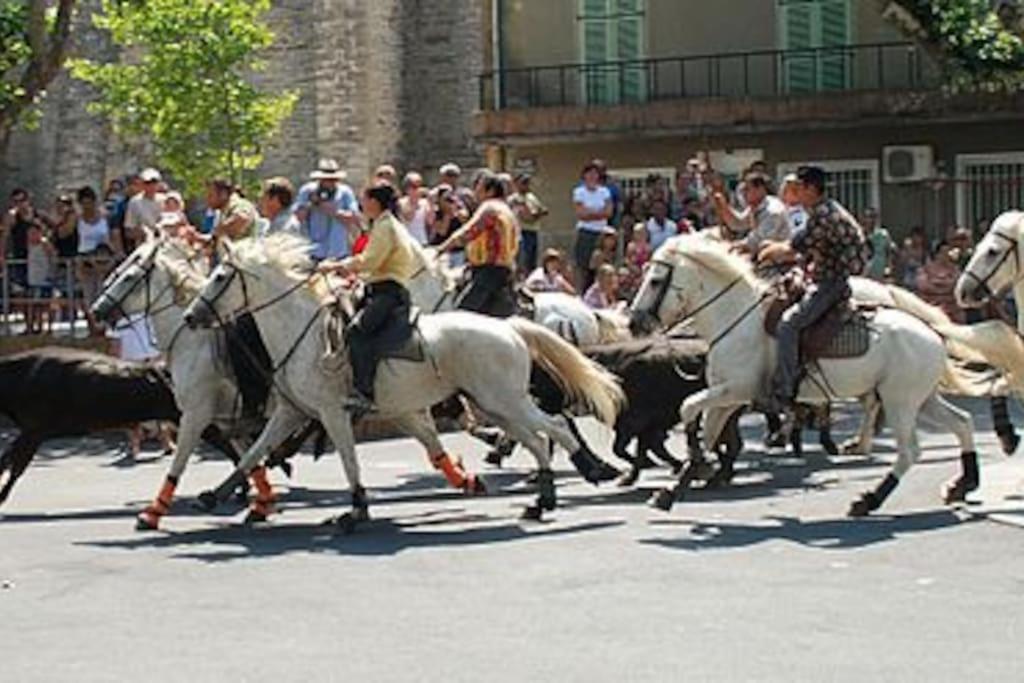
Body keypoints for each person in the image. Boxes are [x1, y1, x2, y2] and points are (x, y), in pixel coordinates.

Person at [758, 165, 869, 415]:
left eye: (798, 187)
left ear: (810, 189)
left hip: (831, 282)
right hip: (821, 274)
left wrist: (763, 251)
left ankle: (783, 392)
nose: (793, 192)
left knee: (788, 324)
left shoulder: (823, 215)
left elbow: (792, 248)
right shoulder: (822, 209)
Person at [318, 183, 418, 415]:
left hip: (387, 291)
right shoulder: (387, 223)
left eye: (363, 199)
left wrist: (336, 266)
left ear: (374, 202)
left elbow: (370, 261)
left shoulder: (385, 226)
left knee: (356, 331)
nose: (361, 204)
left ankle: (365, 393)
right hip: (381, 287)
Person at [437, 170, 520, 317]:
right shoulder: (507, 210)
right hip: (503, 271)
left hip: (487, 273)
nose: (475, 192)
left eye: (479, 188)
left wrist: (440, 249)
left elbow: (467, 233)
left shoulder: (489, 208)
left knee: (461, 316)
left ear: (491, 191)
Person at [296, 158, 361, 261]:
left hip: (338, 252)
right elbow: (298, 217)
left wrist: (334, 212)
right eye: (326, 180)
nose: (330, 183)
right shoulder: (307, 191)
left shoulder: (345, 192)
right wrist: (312, 204)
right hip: (313, 252)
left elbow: (354, 218)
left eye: (333, 180)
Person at [712, 171, 791, 253]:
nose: (744, 194)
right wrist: (724, 207)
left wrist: (737, 245)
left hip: (778, 258)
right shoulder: (755, 207)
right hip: (760, 254)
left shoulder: (773, 211)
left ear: (760, 189)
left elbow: (759, 240)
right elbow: (738, 224)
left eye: (747, 190)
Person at [572, 160, 613, 291]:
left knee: (601, 266)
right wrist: (598, 213)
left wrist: (591, 213)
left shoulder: (604, 191)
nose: (592, 176)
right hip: (585, 232)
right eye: (589, 173)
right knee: (584, 266)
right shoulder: (579, 192)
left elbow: (608, 212)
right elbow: (580, 214)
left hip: (601, 232)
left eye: (595, 173)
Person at [916, 240, 965, 323]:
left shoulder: (955, 269)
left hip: (952, 311)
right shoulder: (925, 269)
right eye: (943, 252)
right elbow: (923, 285)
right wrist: (945, 285)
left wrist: (937, 283)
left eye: (947, 252)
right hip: (930, 308)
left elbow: (957, 284)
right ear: (936, 254)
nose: (945, 255)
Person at [508, 172, 548, 273]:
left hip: (533, 230)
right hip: (522, 231)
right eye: (523, 183)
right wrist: (535, 214)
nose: (526, 185)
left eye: (527, 182)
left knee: (531, 260)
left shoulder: (531, 197)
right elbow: (526, 217)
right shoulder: (514, 199)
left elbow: (542, 210)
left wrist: (536, 214)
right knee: (522, 260)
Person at [124, 168, 165, 249]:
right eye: (148, 183)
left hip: (165, 246)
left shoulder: (165, 200)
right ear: (142, 184)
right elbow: (128, 231)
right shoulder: (135, 202)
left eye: (154, 182)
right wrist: (143, 233)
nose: (151, 186)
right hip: (144, 247)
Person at [397, 172, 431, 245]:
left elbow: (430, 221)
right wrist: (414, 202)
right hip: (407, 242)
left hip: (422, 241)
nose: (418, 189)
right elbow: (408, 218)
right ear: (407, 188)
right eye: (415, 186)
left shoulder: (424, 203)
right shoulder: (401, 203)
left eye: (420, 186)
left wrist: (431, 201)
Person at [863, 208, 895, 281]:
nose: (869, 220)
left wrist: (889, 268)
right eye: (867, 217)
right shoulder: (860, 235)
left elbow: (890, 253)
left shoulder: (883, 235)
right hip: (865, 273)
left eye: (871, 217)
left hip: (880, 272)